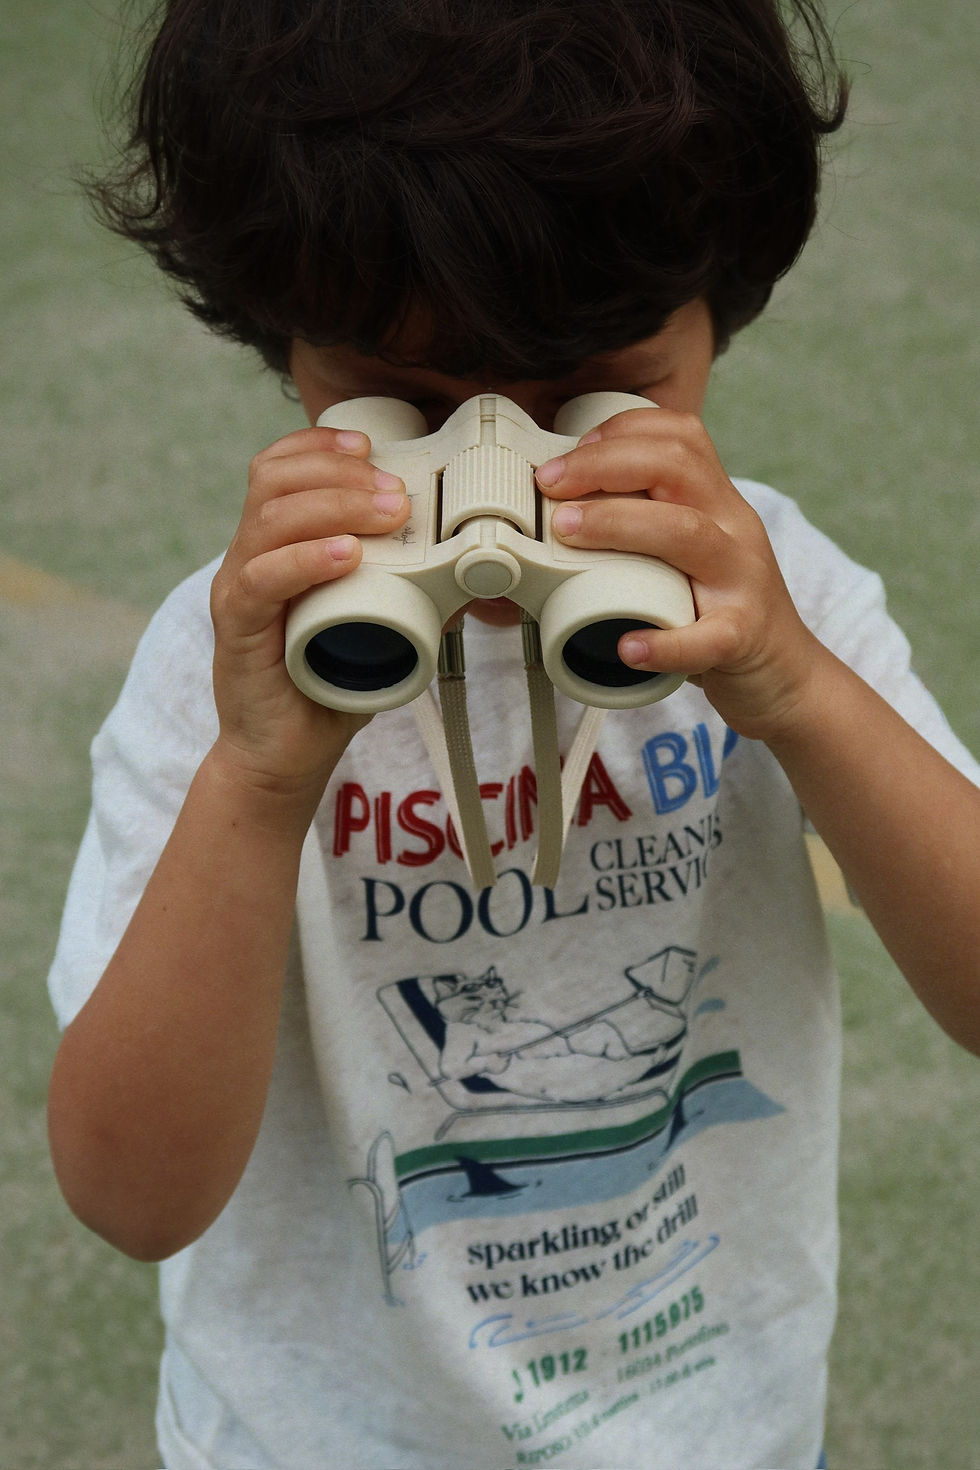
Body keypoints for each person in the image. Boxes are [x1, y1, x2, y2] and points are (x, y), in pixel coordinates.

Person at [46, 2, 980, 1467]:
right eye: (403, 406)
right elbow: (131, 1194)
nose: (497, 468)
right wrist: (257, 777)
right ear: (278, 336)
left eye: (594, 398)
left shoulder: (770, 597)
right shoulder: (231, 663)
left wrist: (797, 688)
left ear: (719, 312)